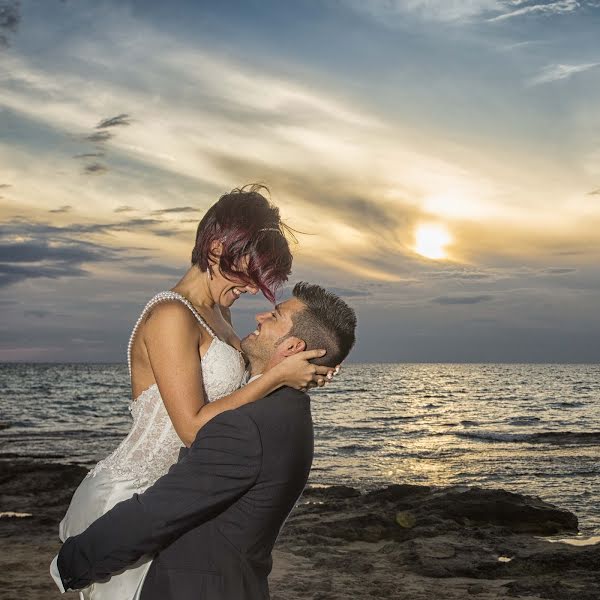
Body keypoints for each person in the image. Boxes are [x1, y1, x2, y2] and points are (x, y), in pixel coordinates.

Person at [53, 185, 336, 600]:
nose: (255, 287)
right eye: (250, 270)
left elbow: (244, 387)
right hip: (130, 497)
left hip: (173, 498)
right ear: (218, 246)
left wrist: (301, 366)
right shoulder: (171, 315)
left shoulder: (219, 312)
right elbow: (191, 429)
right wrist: (274, 380)